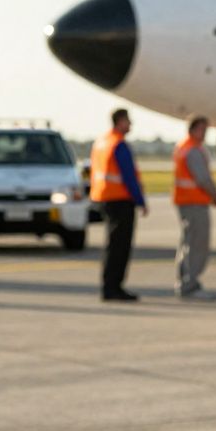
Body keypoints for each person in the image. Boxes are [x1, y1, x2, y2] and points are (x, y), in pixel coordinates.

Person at [90, 108, 147, 301]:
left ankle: (109, 286)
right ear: (120, 121)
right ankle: (113, 288)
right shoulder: (118, 144)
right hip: (120, 200)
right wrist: (140, 201)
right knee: (120, 247)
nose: (130, 125)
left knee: (112, 245)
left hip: (104, 197)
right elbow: (129, 177)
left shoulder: (102, 142)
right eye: (128, 121)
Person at [173, 114, 216, 300]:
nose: (205, 134)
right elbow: (202, 178)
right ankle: (190, 284)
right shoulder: (193, 150)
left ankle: (185, 280)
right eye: (203, 129)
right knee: (197, 243)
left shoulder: (183, 147)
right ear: (194, 129)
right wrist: (214, 194)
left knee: (187, 242)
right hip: (194, 202)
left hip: (185, 201)